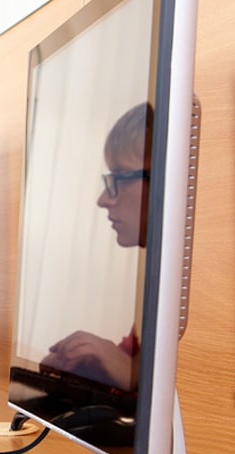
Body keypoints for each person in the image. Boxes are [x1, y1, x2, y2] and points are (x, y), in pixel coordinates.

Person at [40, 103, 151, 392]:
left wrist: (128, 372)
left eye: (118, 180)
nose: (103, 199)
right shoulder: (159, 278)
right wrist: (93, 367)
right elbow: (134, 365)